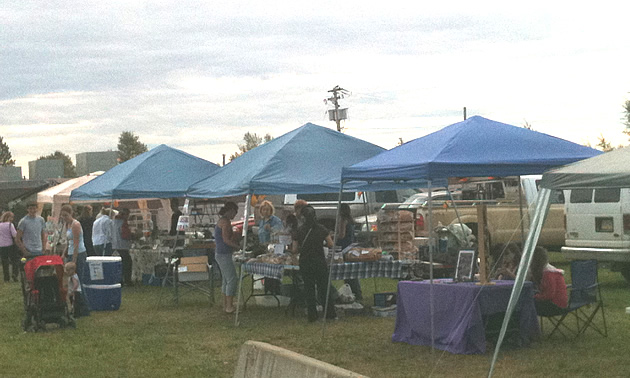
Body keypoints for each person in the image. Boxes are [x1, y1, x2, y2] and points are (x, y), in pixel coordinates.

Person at [298, 205, 337, 322]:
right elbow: (331, 244)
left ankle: (312, 316)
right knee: (324, 288)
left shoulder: (299, 230)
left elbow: (295, 248)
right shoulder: (321, 229)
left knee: (309, 288)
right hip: (319, 261)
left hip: (305, 261)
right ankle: (330, 313)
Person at [214, 202, 241, 314]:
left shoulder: (222, 221)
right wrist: (238, 247)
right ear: (230, 210)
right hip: (223, 253)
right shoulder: (225, 222)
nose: (235, 215)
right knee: (232, 279)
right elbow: (226, 240)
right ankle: (229, 306)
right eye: (235, 212)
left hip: (221, 253)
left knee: (226, 280)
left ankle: (225, 304)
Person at [531, 246, 568, 314]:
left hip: (557, 305)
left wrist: (536, 296)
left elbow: (549, 295)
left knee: (528, 305)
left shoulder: (549, 274)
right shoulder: (548, 271)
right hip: (555, 303)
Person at [60, 205, 89, 291]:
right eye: (62, 215)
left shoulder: (75, 224)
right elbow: (68, 241)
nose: (64, 217)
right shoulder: (67, 225)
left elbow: (76, 244)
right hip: (70, 252)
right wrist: (63, 254)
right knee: (71, 280)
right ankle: (74, 299)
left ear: (71, 214)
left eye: (66, 215)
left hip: (79, 253)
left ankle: (83, 301)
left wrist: (74, 261)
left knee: (78, 279)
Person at [336, 203, 362, 301]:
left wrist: (332, 235)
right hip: (350, 246)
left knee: (346, 272)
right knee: (352, 272)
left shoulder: (343, 220)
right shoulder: (351, 220)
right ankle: (356, 292)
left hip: (344, 247)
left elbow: (341, 235)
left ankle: (353, 292)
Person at [112, 208, 133, 286]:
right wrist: (133, 235)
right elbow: (125, 235)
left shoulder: (113, 222)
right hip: (123, 245)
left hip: (115, 245)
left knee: (120, 263)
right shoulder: (123, 223)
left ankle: (120, 279)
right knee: (127, 263)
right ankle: (127, 280)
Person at [0, 211, 19, 282]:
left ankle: (6, 278)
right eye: (12, 217)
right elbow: (14, 235)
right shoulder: (10, 225)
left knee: (5, 262)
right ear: (8, 217)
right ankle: (14, 273)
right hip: (10, 245)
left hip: (1, 245)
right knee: (14, 260)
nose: (12, 219)